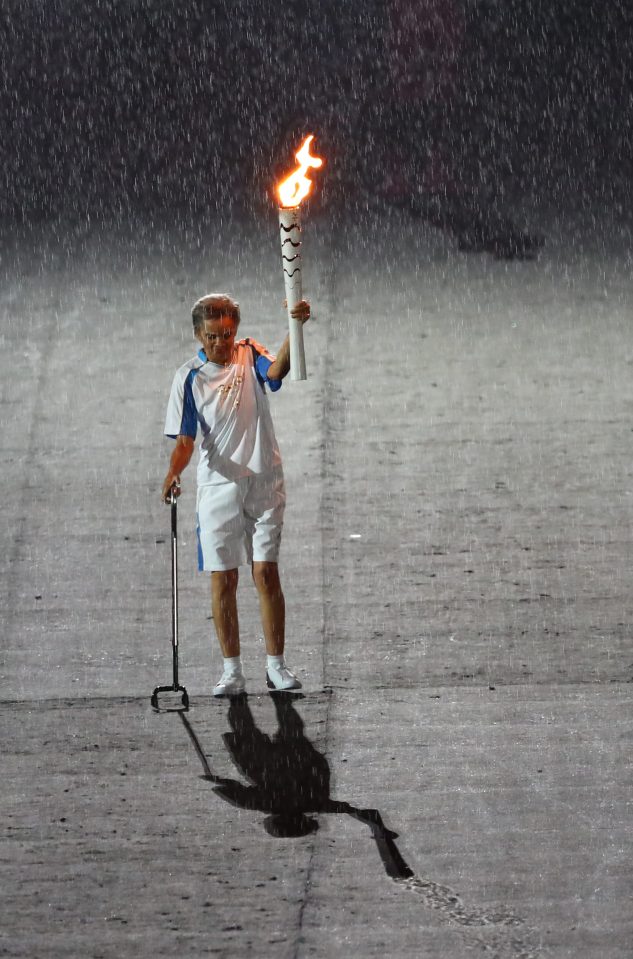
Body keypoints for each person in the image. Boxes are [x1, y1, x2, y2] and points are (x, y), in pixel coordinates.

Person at [161, 292, 310, 696]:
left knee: (265, 573)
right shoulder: (188, 378)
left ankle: (276, 666)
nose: (220, 344)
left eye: (226, 335)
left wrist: (294, 328)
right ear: (197, 334)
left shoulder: (249, 354)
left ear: (236, 331)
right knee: (223, 580)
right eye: (211, 336)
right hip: (217, 488)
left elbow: (277, 369)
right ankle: (232, 672)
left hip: (264, 479)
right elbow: (186, 441)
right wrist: (174, 473)